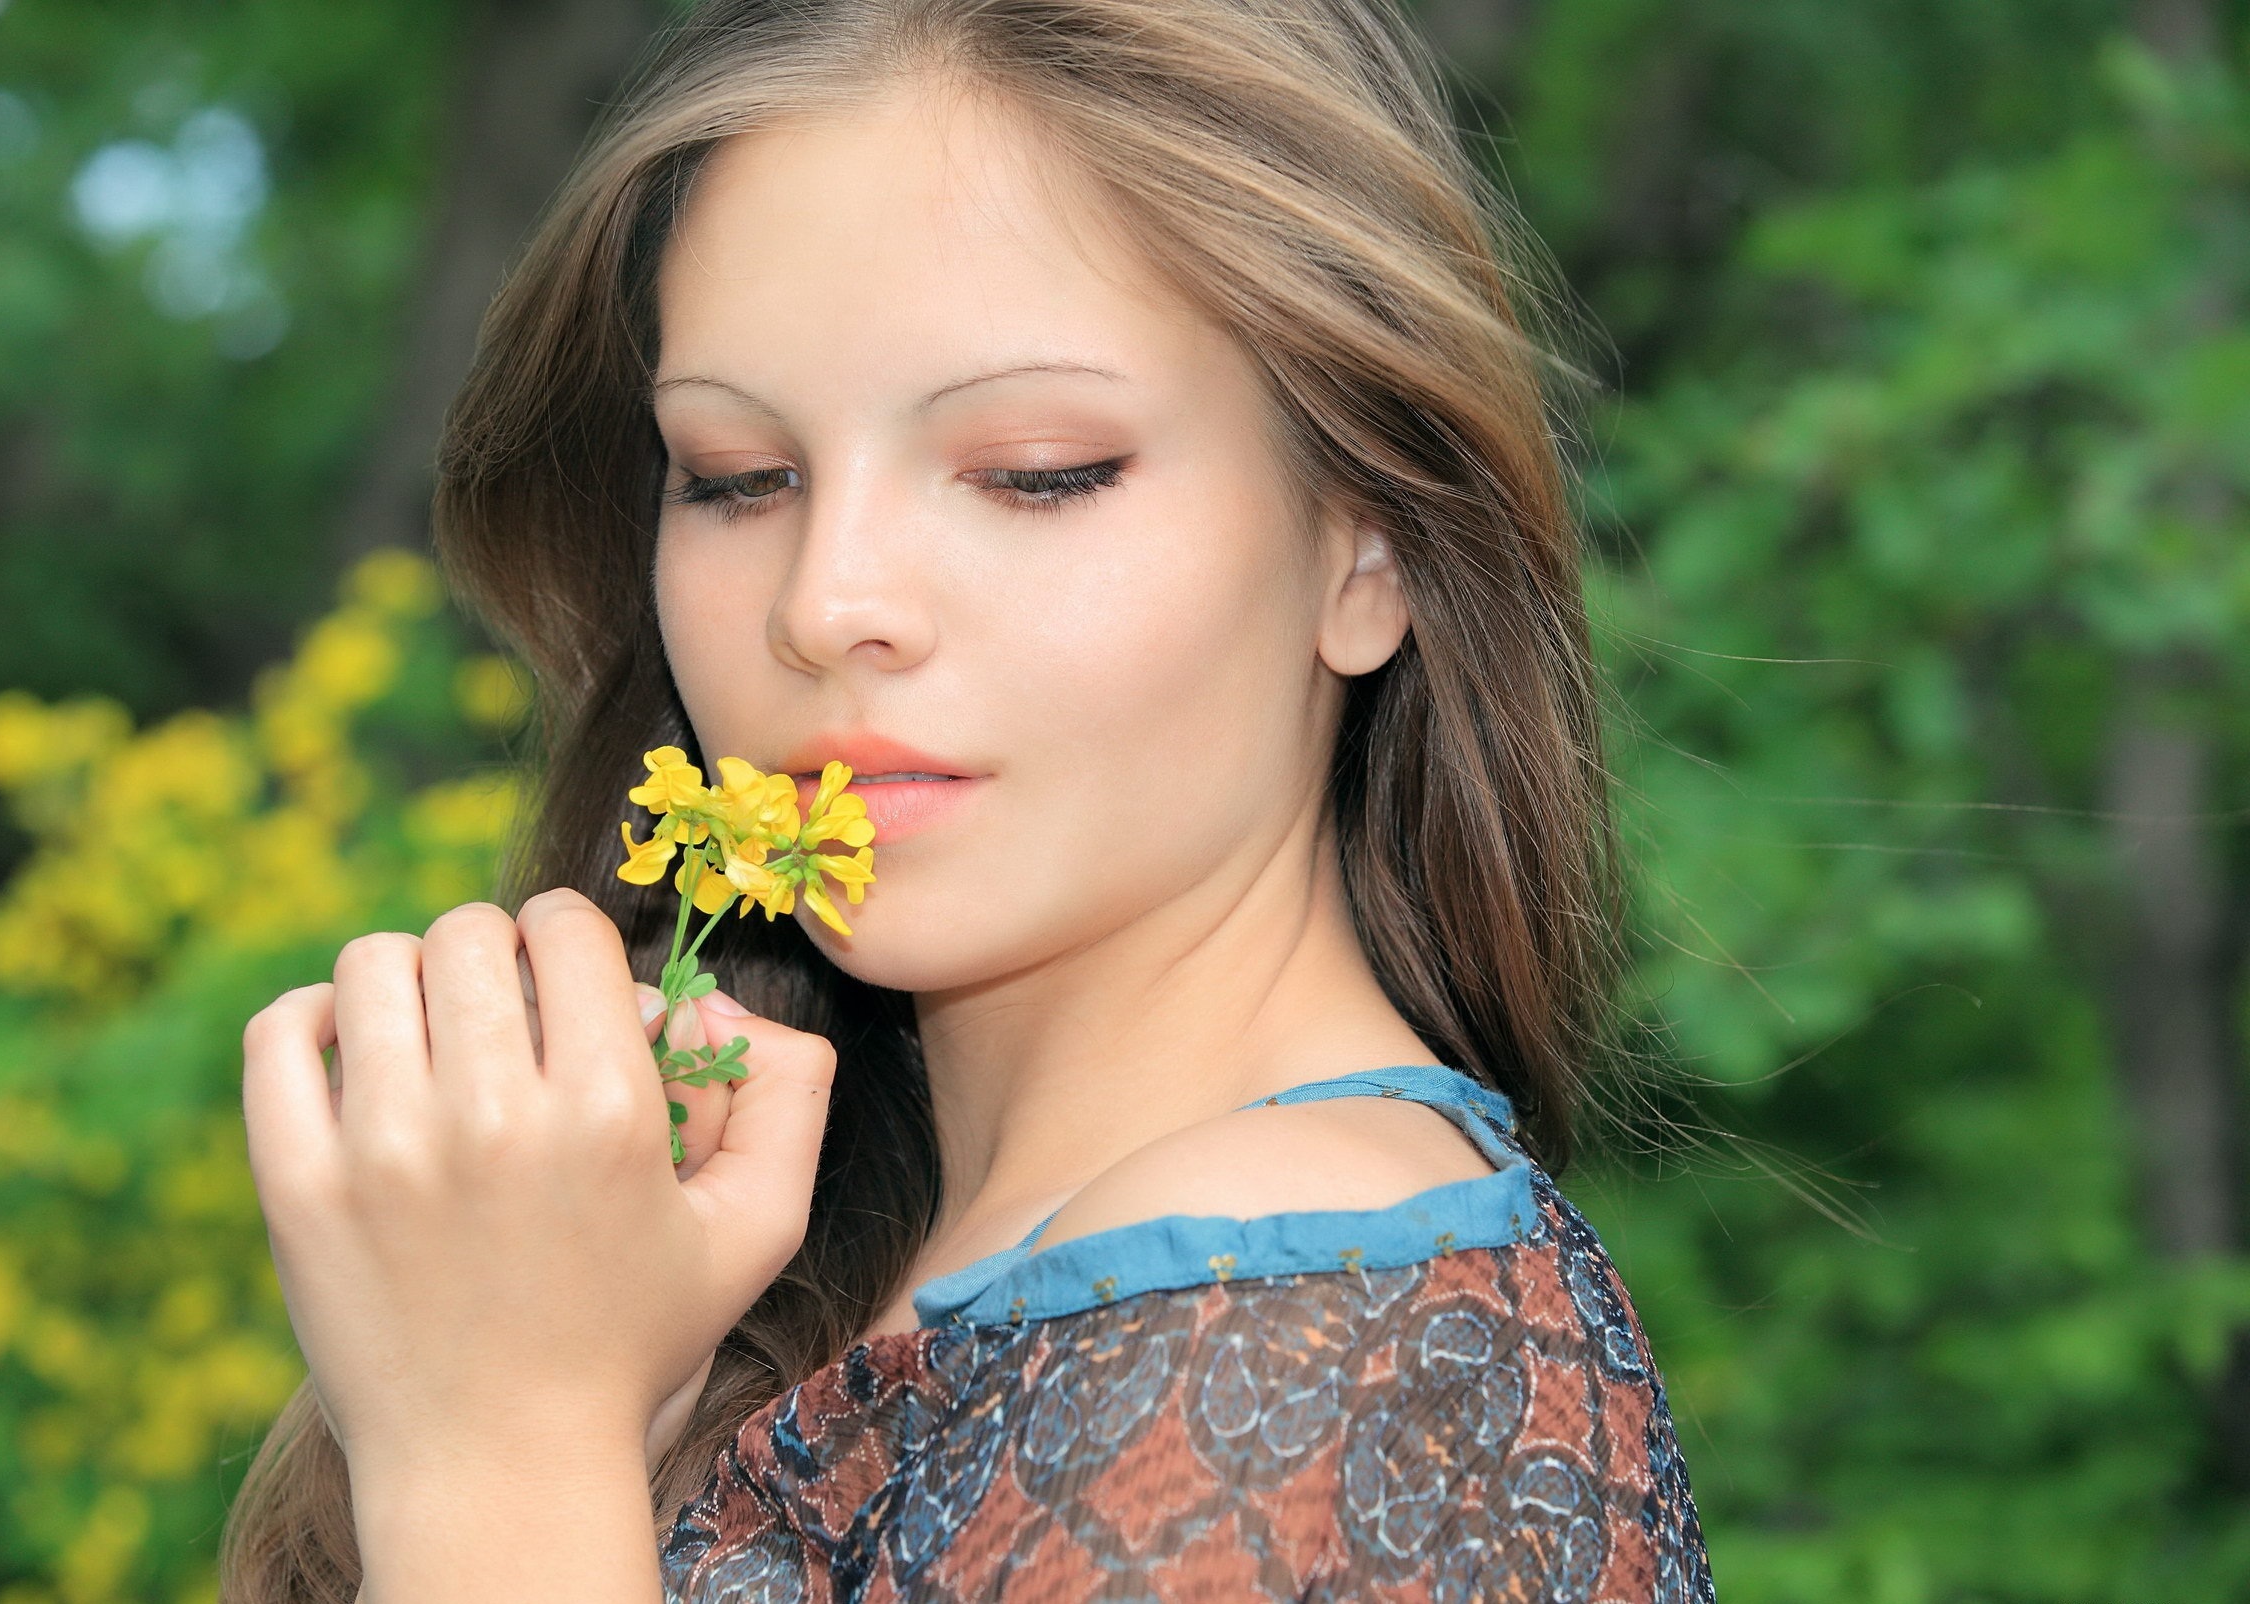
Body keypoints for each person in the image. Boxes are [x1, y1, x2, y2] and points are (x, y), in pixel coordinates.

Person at [221, 0, 1714, 1598]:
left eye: (1035, 468)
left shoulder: (1296, 1333)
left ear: (1371, 549)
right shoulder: (817, 1257)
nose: (826, 600)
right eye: (736, 477)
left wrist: (496, 1457)